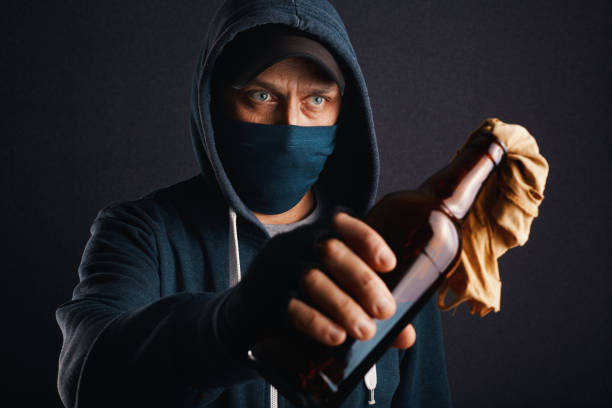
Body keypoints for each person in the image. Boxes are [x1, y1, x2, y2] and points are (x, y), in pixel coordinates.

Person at [56, 1, 452, 407]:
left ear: (343, 113)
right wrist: (228, 325)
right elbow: (87, 377)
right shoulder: (143, 233)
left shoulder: (387, 247)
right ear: (214, 104)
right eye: (261, 95)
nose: (290, 126)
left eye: (316, 100)